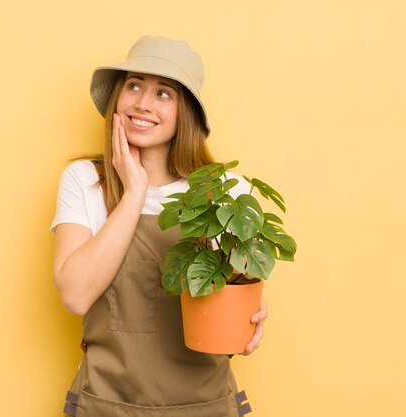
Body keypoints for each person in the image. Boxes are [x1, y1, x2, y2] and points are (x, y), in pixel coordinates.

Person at [51, 35, 267, 417]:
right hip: (106, 405)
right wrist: (134, 193)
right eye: (134, 85)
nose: (142, 104)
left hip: (206, 406)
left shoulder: (226, 192)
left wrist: (251, 316)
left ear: (186, 112)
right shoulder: (84, 180)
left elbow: (237, 298)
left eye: (164, 93)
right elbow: (75, 295)